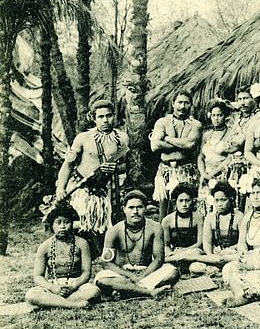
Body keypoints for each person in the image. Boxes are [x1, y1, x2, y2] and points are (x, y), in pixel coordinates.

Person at [55, 98, 129, 254]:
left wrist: (116, 168)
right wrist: (60, 189)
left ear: (113, 116)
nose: (105, 120)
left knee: (104, 224)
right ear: (93, 118)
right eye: (100, 117)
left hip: (105, 189)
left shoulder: (122, 139)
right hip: (80, 188)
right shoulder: (83, 138)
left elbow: (126, 165)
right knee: (80, 223)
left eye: (108, 116)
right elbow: (68, 165)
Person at [95, 191, 179, 298]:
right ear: (124, 209)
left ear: (145, 208)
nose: (135, 211)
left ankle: (126, 291)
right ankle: (148, 292)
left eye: (139, 207)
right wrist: (130, 276)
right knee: (102, 279)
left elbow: (159, 259)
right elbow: (106, 263)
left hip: (147, 272)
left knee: (172, 272)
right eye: (131, 208)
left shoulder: (155, 227)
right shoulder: (114, 231)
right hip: (122, 274)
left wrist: (142, 276)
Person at [221, 176, 260, 307]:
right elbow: (242, 242)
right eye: (252, 193)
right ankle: (241, 295)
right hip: (252, 258)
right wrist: (243, 250)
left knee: (247, 271)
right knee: (228, 269)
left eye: (259, 193)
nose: (255, 197)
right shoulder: (248, 216)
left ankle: (245, 293)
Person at [25, 200, 100, 309]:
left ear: (72, 223)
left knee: (94, 291)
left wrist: (73, 286)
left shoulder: (82, 243)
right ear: (52, 225)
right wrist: (53, 288)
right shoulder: (45, 246)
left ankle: (51, 303)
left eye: (66, 222)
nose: (63, 226)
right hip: (53, 286)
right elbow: (38, 276)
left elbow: (86, 273)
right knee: (31, 295)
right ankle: (73, 305)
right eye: (58, 222)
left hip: (76, 285)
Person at [151, 90, 203, 219]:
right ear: (173, 103)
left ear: (191, 105)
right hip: (165, 171)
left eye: (186, 103)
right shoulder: (162, 122)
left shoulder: (195, 124)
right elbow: (155, 146)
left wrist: (167, 138)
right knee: (164, 208)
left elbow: (190, 145)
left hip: (186, 171)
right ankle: (164, 237)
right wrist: (181, 144)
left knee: (186, 207)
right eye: (179, 102)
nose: (182, 106)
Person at [190, 181, 243, 273]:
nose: (219, 204)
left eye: (223, 200)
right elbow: (207, 242)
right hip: (215, 256)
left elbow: (242, 243)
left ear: (231, 199)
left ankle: (222, 268)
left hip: (232, 254)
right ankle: (218, 268)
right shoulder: (210, 217)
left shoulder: (239, 216)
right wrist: (211, 256)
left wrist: (228, 251)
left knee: (235, 261)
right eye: (216, 200)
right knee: (194, 267)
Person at [198, 99, 235, 213]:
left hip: (222, 175)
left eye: (219, 115)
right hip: (205, 176)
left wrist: (212, 174)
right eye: (213, 115)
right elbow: (200, 156)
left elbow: (230, 158)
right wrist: (203, 174)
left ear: (225, 116)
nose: (216, 118)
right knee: (205, 208)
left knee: (220, 208)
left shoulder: (231, 133)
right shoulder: (206, 135)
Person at [160, 183, 204, 269]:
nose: (184, 204)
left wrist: (184, 251)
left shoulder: (199, 218)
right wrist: (170, 253)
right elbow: (166, 245)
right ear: (175, 202)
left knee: (196, 254)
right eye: (180, 201)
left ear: (193, 201)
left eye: (187, 200)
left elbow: (199, 243)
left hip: (192, 252)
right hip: (174, 253)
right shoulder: (167, 220)